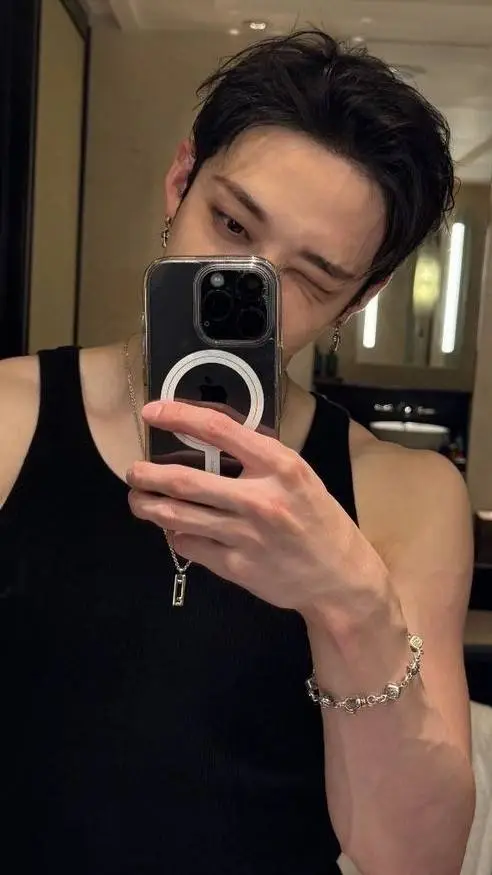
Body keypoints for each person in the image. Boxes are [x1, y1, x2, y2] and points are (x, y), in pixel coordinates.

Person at [0, 29, 475, 875]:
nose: (243, 289)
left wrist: (350, 601)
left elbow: (415, 860)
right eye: (230, 221)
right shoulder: (7, 417)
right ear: (180, 179)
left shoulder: (404, 495)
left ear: (358, 298)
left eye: (311, 277)